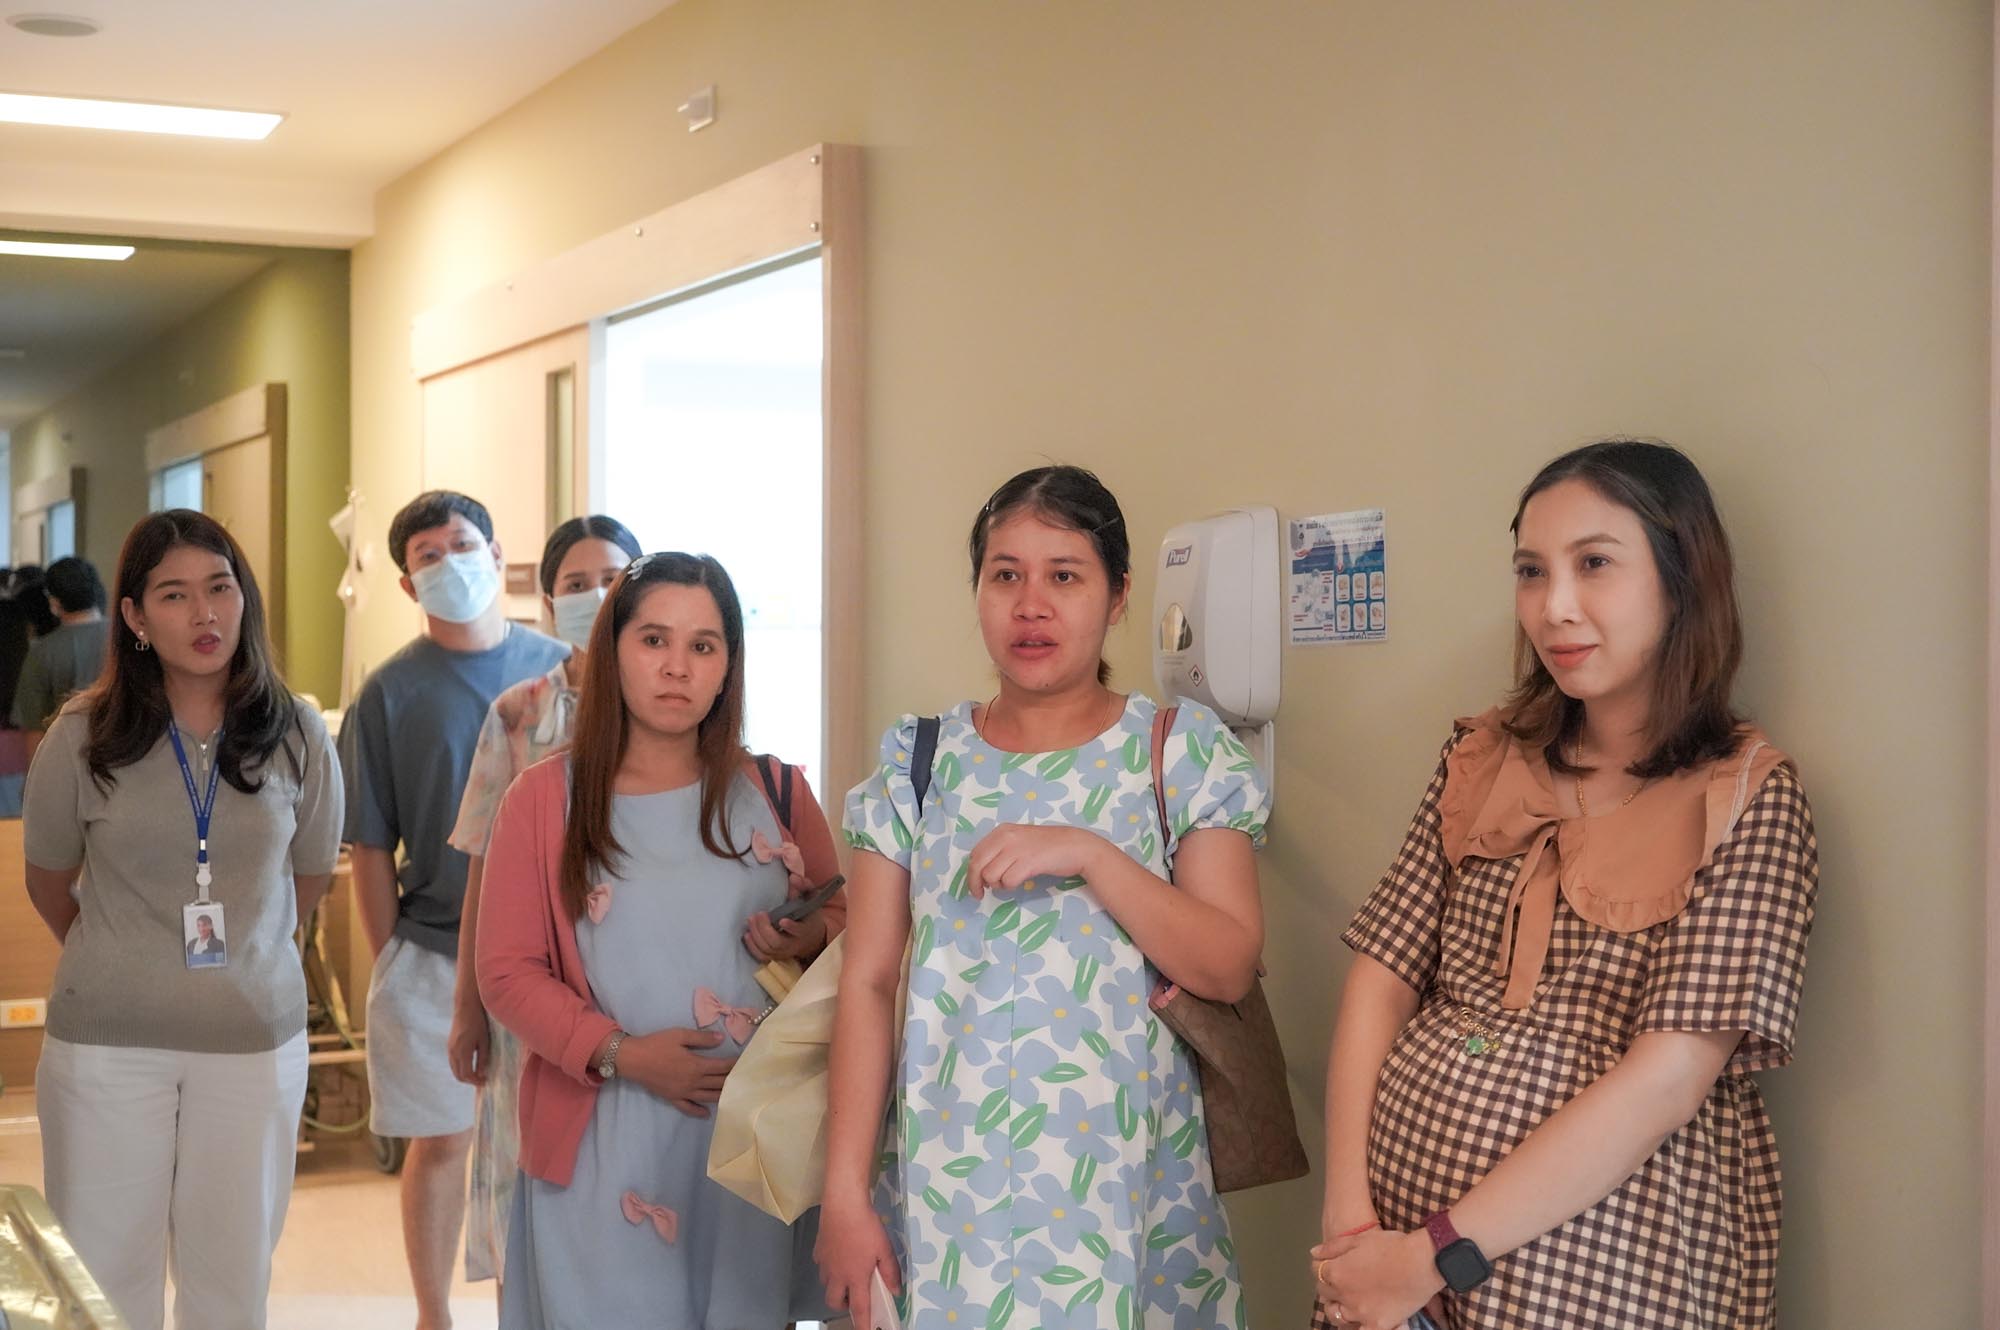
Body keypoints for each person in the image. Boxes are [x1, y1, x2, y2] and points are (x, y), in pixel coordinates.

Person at [1309, 440, 1819, 1330]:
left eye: (1595, 564)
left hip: (1597, 1270)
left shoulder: (1749, 800)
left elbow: (1666, 1082)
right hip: (1386, 1253)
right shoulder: (1483, 755)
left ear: (1682, 581)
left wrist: (1433, 1257)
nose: (1556, 607)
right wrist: (1348, 1216)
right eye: (1531, 571)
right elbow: (1382, 974)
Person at [817, 465, 1272, 1329]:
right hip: (948, 1195)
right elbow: (868, 983)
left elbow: (1226, 964)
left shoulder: (1180, 754)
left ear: (1118, 595)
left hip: (1133, 1192)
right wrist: (844, 1194)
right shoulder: (918, 764)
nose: (1031, 605)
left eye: (1064, 576)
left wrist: (1089, 853)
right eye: (1006, 575)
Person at [478, 551, 841, 1328]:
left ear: (727, 666)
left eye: (703, 646)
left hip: (749, 1143)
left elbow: (847, 930)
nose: (678, 667)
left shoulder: (776, 790)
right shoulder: (542, 800)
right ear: (612, 652)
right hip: (603, 1134)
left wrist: (807, 933)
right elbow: (507, 972)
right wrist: (625, 1054)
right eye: (654, 641)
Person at [23, 509, 343, 1330]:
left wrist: (247, 959)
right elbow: (48, 880)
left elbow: (308, 876)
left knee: (231, 1283)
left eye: (220, 587)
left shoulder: (298, 730)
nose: (204, 613)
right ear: (134, 615)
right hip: (107, 1049)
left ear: (244, 598)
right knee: (102, 1285)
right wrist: (125, 958)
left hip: (253, 1044)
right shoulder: (82, 735)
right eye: (173, 595)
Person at [338, 491, 569, 1330]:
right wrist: (390, 961)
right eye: (428, 556)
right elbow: (370, 845)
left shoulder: (559, 671)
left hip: (552, 956)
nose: (450, 564)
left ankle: (531, 1309)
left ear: (497, 553)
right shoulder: (387, 694)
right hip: (434, 947)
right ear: (407, 584)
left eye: (463, 546)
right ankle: (432, 1314)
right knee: (441, 1141)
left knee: (538, 1147)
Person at [444, 514, 642, 1292]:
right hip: (529, 994)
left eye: (612, 579)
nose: (597, 595)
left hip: (641, 995)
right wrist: (468, 1006)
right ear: (549, 601)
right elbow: (483, 869)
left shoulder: (673, 707)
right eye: (577, 583)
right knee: (525, 1195)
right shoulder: (518, 714)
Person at [15, 555, 111, 759]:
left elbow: (34, 727)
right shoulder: (127, 638)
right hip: (127, 755)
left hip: (66, 758)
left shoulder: (43, 651)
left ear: (54, 600)